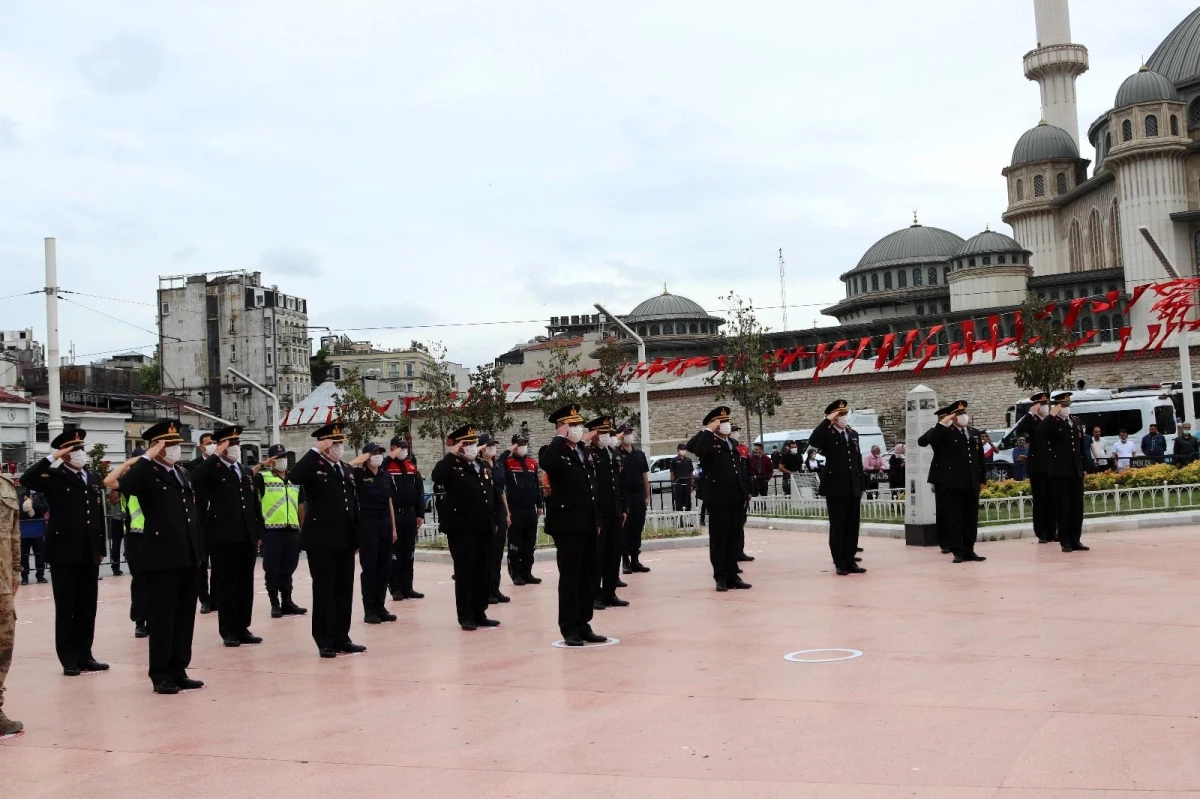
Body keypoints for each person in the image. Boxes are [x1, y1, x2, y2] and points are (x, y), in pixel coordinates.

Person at [115, 420, 206, 694]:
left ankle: (179, 668)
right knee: (163, 618)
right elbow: (126, 484)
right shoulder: (147, 472)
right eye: (169, 445)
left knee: (184, 617)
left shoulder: (181, 473)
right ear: (156, 446)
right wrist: (146, 457)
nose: (176, 449)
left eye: (177, 444)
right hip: (161, 556)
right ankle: (161, 673)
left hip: (188, 554)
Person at [21, 430, 109, 677]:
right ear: (65, 453)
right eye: (74, 449)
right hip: (64, 551)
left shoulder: (90, 475)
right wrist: (53, 457)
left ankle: (85, 655)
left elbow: (96, 514)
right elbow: (28, 478)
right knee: (67, 606)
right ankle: (69, 658)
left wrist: (101, 547)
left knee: (87, 606)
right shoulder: (53, 475)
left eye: (81, 448)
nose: (80, 453)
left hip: (89, 551)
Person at [290, 422, 366, 658]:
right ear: (324, 444)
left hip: (344, 539)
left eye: (340, 443)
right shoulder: (315, 466)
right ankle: (324, 640)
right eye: (334, 443)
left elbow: (352, 505)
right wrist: (314, 451)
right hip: (321, 540)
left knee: (344, 590)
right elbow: (294, 476)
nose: (339, 447)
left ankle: (342, 637)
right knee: (324, 591)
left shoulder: (344, 469)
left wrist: (356, 537)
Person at [189, 426, 264, 648]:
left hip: (246, 534)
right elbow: (195, 478)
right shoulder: (213, 468)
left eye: (237, 443)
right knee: (227, 584)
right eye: (230, 444)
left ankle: (243, 627)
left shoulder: (243, 470)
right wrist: (214, 456)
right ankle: (229, 630)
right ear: (220, 446)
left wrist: (259, 531)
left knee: (245, 583)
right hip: (224, 535)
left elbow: (253, 503)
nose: (235, 448)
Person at [541, 405, 607, 646]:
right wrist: (559, 436)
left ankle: (584, 623)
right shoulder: (554, 451)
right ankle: (569, 627)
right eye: (573, 425)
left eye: (579, 424)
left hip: (588, 523)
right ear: (563, 427)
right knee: (571, 577)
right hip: (567, 525)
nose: (578, 429)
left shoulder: (581, 450)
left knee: (589, 576)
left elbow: (592, 488)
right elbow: (546, 462)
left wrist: (597, 519)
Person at [431, 425, 499, 632]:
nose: (471, 447)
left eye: (473, 443)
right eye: (466, 444)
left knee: (483, 571)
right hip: (462, 529)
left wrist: (494, 520)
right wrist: (451, 454)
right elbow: (437, 476)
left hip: (484, 527)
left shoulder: (482, 465)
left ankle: (480, 612)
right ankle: (466, 615)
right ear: (459, 446)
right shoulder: (452, 466)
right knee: (465, 572)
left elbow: (490, 494)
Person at [686, 406, 751, 592]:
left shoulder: (731, 443)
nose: (726, 425)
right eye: (722, 422)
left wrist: (745, 492)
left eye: (727, 422)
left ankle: (732, 574)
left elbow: (738, 470)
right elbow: (695, 448)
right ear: (714, 424)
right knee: (719, 539)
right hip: (718, 498)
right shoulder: (709, 441)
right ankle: (720, 576)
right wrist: (707, 429)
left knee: (733, 537)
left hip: (735, 497)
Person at [808, 399, 867, 575]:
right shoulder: (827, 434)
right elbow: (814, 440)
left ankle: (850, 561)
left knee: (852, 526)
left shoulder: (852, 433)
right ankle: (840, 563)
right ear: (833, 417)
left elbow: (857, 461)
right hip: (835, 487)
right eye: (839, 414)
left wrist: (862, 484)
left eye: (844, 414)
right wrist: (827, 420)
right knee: (838, 526)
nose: (844, 417)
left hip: (853, 486)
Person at [923, 400, 987, 564]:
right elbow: (925, 440)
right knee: (955, 518)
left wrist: (982, 479)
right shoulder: (945, 432)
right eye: (958, 414)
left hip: (971, 481)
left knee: (970, 518)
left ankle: (969, 549)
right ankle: (957, 550)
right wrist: (943, 423)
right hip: (953, 482)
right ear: (952, 416)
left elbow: (980, 458)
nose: (963, 416)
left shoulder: (974, 432)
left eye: (964, 412)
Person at [255, 445, 307, 619]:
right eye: (278, 457)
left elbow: (301, 505)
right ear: (271, 460)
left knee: (288, 568)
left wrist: (302, 528)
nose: (282, 460)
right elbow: (255, 501)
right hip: (271, 531)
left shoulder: (294, 479)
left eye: (284, 456)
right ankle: (274, 603)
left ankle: (287, 601)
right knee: (272, 569)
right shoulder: (262, 478)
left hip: (291, 530)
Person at [104, 449, 150, 638]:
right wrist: (123, 473)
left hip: (157, 536)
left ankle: (155, 618)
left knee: (159, 581)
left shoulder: (151, 479)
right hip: (135, 536)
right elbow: (113, 499)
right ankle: (140, 621)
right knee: (139, 581)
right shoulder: (127, 481)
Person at [351, 442, 398, 624]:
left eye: (380, 453)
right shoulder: (358, 475)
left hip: (385, 522)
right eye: (374, 453)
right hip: (368, 522)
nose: (378, 456)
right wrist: (357, 461)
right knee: (370, 567)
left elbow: (389, 502)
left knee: (384, 567)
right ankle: (369, 609)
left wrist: (393, 528)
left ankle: (381, 606)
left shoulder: (385, 476)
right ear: (366, 457)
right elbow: (345, 470)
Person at [587, 417, 627, 610]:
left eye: (608, 433)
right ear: (594, 434)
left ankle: (610, 593)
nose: (607, 436)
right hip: (600, 513)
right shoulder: (589, 454)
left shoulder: (612, 452)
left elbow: (618, 483)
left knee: (614, 554)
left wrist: (623, 508)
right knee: (598, 556)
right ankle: (596, 594)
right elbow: (592, 486)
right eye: (603, 433)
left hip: (615, 510)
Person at [1042, 391, 1088, 553]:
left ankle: (1076, 540)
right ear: (1057, 407)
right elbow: (1040, 433)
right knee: (1064, 507)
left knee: (1077, 507)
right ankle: (1065, 541)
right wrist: (1050, 416)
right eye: (1063, 406)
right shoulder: (1052, 423)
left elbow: (1081, 447)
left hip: (1076, 470)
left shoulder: (1075, 422)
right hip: (1060, 471)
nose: (1066, 409)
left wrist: (1084, 467)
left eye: (1068, 405)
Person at [384, 437, 427, 600]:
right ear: (393, 448)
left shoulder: (411, 466)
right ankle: (395, 588)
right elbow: (379, 471)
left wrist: (420, 513)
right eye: (401, 448)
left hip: (410, 515)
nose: (404, 450)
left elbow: (419, 491)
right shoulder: (386, 465)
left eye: (406, 448)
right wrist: (390, 456)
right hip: (395, 515)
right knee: (395, 554)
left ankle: (408, 587)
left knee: (409, 552)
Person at [1012, 393, 1056, 544]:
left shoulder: (1051, 419)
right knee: (1040, 501)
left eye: (1046, 403)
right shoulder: (1032, 420)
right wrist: (1030, 413)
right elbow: (1020, 429)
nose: (1044, 406)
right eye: (1041, 404)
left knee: (1052, 500)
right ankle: (1042, 533)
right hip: (1037, 466)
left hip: (1052, 465)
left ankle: (1052, 531)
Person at [502, 434, 542, 587]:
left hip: (530, 508)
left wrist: (539, 504)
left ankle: (527, 572)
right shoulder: (507, 463)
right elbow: (499, 473)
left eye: (524, 443)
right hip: (515, 509)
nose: (522, 446)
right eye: (519, 444)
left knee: (530, 541)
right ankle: (516, 573)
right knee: (515, 543)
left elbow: (536, 485)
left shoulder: (532, 463)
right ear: (513, 446)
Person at [1, 469, 23, 734]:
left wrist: (16, 570)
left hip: (3, 581)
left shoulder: (5, 486)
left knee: (3, 643)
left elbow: (14, 532)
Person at [183, 432, 216, 614]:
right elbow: (192, 481)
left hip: (218, 520)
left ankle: (216, 598)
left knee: (219, 562)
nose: (212, 445)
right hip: (200, 519)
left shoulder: (221, 464)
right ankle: (204, 598)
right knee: (202, 563)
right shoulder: (192, 466)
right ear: (201, 447)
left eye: (214, 442)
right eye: (209, 443)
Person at [478, 435, 511, 605]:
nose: (492, 448)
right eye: (488, 446)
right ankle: (487, 590)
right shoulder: (478, 466)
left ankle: (495, 588)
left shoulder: (497, 465)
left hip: (499, 509)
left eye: (493, 445)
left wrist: (507, 512)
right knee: (488, 554)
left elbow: (501, 489)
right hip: (487, 511)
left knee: (498, 553)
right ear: (481, 448)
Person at [917, 407, 953, 553]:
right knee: (943, 509)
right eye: (942, 418)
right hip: (941, 475)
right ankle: (944, 542)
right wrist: (937, 427)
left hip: (956, 473)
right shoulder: (936, 431)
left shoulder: (954, 430)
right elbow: (922, 441)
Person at [617, 425, 650, 575]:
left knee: (637, 527)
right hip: (625, 495)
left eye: (630, 432)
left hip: (638, 495)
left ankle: (635, 559)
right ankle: (626, 561)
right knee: (625, 529)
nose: (629, 435)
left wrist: (647, 495)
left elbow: (644, 476)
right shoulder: (616, 454)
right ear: (620, 436)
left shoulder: (639, 454)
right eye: (626, 433)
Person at [730, 424, 754, 566]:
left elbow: (747, 472)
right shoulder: (731, 449)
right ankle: (733, 552)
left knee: (741, 522)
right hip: (734, 490)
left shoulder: (743, 449)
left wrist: (749, 490)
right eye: (735, 432)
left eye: (738, 432)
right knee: (734, 523)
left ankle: (740, 550)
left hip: (743, 489)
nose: (737, 434)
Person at [18, 487, 47, 584]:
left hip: (38, 528)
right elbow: (19, 511)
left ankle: (40, 575)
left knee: (39, 553)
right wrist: (26, 506)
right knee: (24, 555)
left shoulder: (41, 495)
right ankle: (24, 577)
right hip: (24, 528)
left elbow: (44, 508)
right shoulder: (20, 495)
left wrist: (34, 501)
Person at [669, 444, 694, 512]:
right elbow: (672, 473)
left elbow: (691, 472)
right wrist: (673, 483)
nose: (683, 451)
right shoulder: (674, 461)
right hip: (678, 484)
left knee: (688, 502)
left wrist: (692, 484)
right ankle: (680, 521)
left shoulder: (688, 460)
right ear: (678, 450)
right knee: (679, 503)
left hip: (687, 484)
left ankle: (687, 521)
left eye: (684, 449)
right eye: (681, 449)